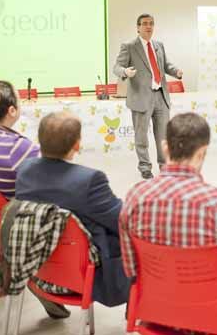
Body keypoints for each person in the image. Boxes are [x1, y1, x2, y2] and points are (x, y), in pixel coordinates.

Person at [120, 113, 217, 297]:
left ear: (165, 148)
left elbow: (131, 270)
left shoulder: (135, 197)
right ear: (202, 153)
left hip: (155, 308)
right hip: (208, 315)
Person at [16, 111, 129, 315]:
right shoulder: (88, 180)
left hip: (37, 267)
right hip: (84, 275)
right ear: (77, 145)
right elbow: (122, 221)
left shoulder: (24, 170)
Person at [113, 14, 183, 179]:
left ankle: (164, 165)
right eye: (145, 24)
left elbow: (166, 65)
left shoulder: (159, 45)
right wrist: (125, 72)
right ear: (138, 27)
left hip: (161, 96)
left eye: (151, 23)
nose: (148, 26)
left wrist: (176, 71)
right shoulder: (129, 46)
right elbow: (117, 67)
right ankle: (145, 167)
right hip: (140, 97)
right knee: (141, 135)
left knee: (163, 136)